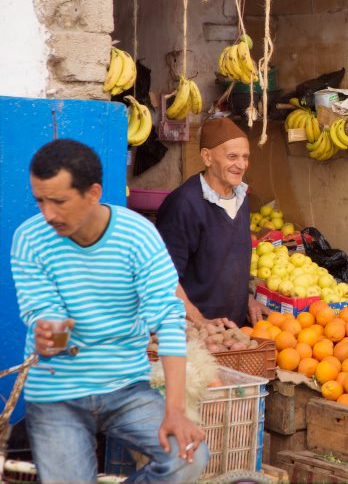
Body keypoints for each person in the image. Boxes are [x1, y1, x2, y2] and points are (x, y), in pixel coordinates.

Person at [10, 139, 207, 483]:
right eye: (39, 200)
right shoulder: (30, 239)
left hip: (126, 387)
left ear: (93, 193)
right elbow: (47, 313)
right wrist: (51, 337)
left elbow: (168, 318)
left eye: (58, 201)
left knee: (189, 457)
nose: (48, 214)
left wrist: (175, 411)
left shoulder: (138, 237)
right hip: (57, 393)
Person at [157, 116, 268, 327]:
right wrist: (200, 321)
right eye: (232, 156)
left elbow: (227, 263)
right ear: (207, 157)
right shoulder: (184, 204)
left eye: (245, 157)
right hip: (197, 331)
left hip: (233, 330)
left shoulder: (242, 198)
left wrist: (247, 299)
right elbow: (163, 277)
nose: (241, 165)